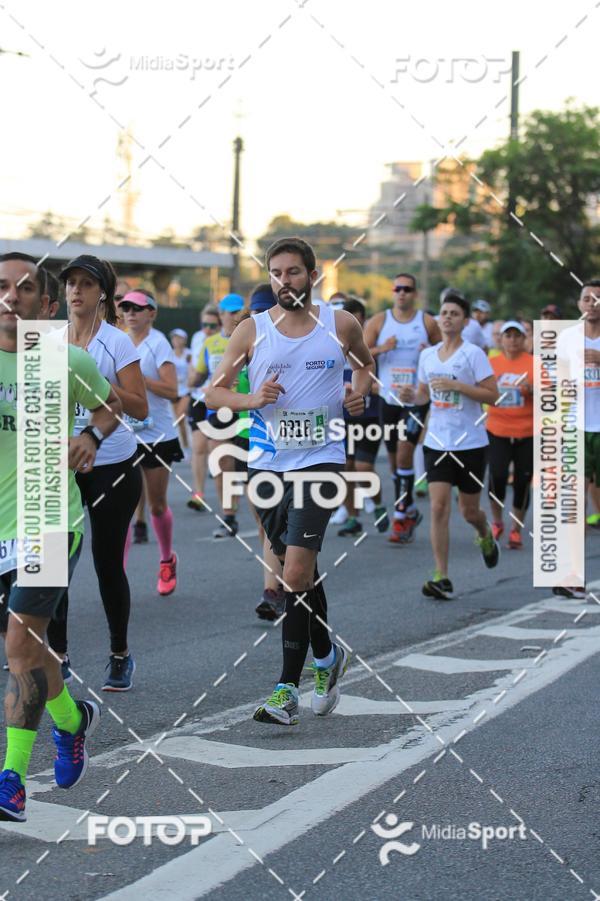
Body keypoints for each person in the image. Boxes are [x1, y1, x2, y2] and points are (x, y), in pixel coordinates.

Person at [204, 237, 375, 726]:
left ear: (313, 276)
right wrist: (253, 399)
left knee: (295, 575)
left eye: (294, 272)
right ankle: (326, 655)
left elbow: (365, 365)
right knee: (296, 571)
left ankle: (285, 690)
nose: (285, 280)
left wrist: (357, 393)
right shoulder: (251, 330)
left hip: (320, 461)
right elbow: (214, 391)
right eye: (277, 273)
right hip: (266, 464)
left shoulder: (339, 324)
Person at [0, 251, 122, 822]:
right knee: (31, 650)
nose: (10, 297)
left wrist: (92, 440)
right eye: (1, 286)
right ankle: (73, 720)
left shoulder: (65, 360)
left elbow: (111, 407)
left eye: (23, 288)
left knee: (19, 648)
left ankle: (11, 781)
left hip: (50, 519)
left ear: (44, 305)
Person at [46, 255, 147, 692]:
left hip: (112, 465)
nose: (76, 291)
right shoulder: (47, 340)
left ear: (103, 292)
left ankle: (120, 655)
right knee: (53, 564)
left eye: (86, 284)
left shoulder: (116, 343)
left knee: (107, 563)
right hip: (62, 465)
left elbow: (140, 406)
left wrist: (94, 386)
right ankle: (57, 656)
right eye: (71, 283)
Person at [401, 292, 500, 600]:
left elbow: (492, 395)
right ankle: (441, 575)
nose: (447, 317)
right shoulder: (427, 356)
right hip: (438, 441)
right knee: (439, 508)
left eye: (454, 313)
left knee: (469, 511)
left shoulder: (473, 354)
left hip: (470, 442)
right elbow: (423, 395)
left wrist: (458, 386)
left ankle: (484, 533)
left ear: (465, 321)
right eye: (443, 312)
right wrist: (410, 397)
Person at [365, 273, 441, 543]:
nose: (402, 293)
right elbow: (356, 353)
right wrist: (381, 348)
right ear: (392, 291)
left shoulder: (427, 322)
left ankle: (399, 516)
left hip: (416, 400)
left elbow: (446, 352)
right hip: (388, 399)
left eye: (407, 289)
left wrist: (429, 351)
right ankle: (408, 508)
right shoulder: (379, 321)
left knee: (406, 455)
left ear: (415, 294)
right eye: (397, 288)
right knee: (397, 462)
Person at [118, 289, 183, 595]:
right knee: (126, 508)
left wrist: (139, 381)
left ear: (152, 313)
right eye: (126, 307)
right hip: (124, 436)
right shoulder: (117, 341)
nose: (130, 312)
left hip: (157, 436)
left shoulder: (158, 344)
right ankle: (118, 574)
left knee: (156, 506)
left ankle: (167, 558)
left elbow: (172, 391)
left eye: (137, 307)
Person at [554, 280, 600, 598]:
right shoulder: (566, 338)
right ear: (579, 303)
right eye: (587, 298)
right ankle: (573, 573)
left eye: (597, 299)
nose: (592, 303)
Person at [191, 293, 246, 538]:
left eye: (238, 312)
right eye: (229, 312)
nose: (234, 316)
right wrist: (195, 381)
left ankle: (264, 511)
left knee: (248, 464)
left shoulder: (252, 338)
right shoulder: (210, 343)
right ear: (221, 314)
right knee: (222, 463)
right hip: (219, 410)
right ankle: (229, 517)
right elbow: (196, 375)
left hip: (247, 408)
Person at [249, 285, 286, 622]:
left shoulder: (299, 340)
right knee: (266, 525)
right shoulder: (244, 344)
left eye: (265, 312)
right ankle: (274, 591)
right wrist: (253, 399)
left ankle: (282, 588)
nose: (259, 319)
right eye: (254, 313)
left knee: (293, 533)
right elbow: (213, 391)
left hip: (307, 458)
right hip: (260, 449)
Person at [337, 296, 388, 536]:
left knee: (363, 465)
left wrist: (371, 387)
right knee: (346, 467)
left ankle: (377, 504)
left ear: (363, 320)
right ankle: (352, 516)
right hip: (342, 416)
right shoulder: (333, 344)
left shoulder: (371, 346)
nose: (350, 327)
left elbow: (383, 381)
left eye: (355, 321)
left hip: (369, 414)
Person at [486, 321, 534, 550]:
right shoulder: (491, 363)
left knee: (523, 482)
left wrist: (532, 389)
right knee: (497, 475)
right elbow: (481, 390)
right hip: (498, 429)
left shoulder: (535, 364)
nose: (513, 340)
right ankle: (497, 521)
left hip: (528, 431)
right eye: (508, 335)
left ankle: (516, 529)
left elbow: (552, 395)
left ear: (524, 339)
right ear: (501, 339)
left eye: (517, 335)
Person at [187, 304, 220, 511]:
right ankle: (198, 494)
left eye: (212, 325)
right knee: (198, 448)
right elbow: (193, 370)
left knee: (216, 450)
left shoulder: (227, 340)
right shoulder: (198, 338)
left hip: (219, 400)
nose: (207, 329)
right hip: (198, 399)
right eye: (204, 324)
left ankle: (227, 501)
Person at [169, 328, 192, 454]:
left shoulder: (189, 354)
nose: (176, 340)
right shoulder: (169, 354)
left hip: (187, 391)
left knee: (179, 417)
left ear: (184, 340)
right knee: (181, 422)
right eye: (174, 337)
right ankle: (186, 447)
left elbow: (194, 371)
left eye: (179, 337)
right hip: (174, 392)